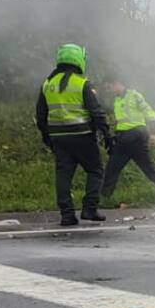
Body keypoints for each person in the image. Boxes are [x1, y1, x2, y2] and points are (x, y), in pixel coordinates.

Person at [35, 43, 113, 226]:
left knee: (63, 176)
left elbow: (40, 115)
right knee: (95, 170)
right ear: (79, 60)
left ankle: (67, 214)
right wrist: (107, 135)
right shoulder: (82, 84)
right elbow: (97, 112)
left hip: (59, 139)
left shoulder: (47, 84)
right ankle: (89, 209)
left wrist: (46, 137)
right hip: (83, 136)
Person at [102, 79, 155, 203]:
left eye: (112, 85)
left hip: (136, 136)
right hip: (123, 138)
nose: (111, 89)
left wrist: (154, 132)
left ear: (119, 84)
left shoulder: (134, 95)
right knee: (113, 168)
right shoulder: (117, 99)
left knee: (146, 167)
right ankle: (105, 197)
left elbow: (149, 111)